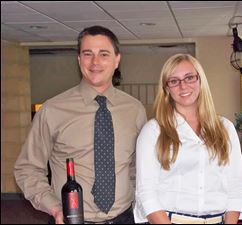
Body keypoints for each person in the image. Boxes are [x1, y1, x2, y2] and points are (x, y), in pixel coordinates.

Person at [14, 25, 147, 224]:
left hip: (125, 218)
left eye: (103, 54)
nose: (95, 62)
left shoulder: (135, 110)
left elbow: (138, 167)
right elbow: (28, 169)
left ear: (117, 59)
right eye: (87, 54)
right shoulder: (52, 110)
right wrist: (55, 208)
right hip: (71, 219)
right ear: (79, 60)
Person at [133, 54, 242, 224]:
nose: (183, 85)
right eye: (174, 81)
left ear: (200, 80)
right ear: (166, 89)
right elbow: (146, 192)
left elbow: (235, 187)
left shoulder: (225, 128)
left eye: (189, 77)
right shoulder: (153, 131)